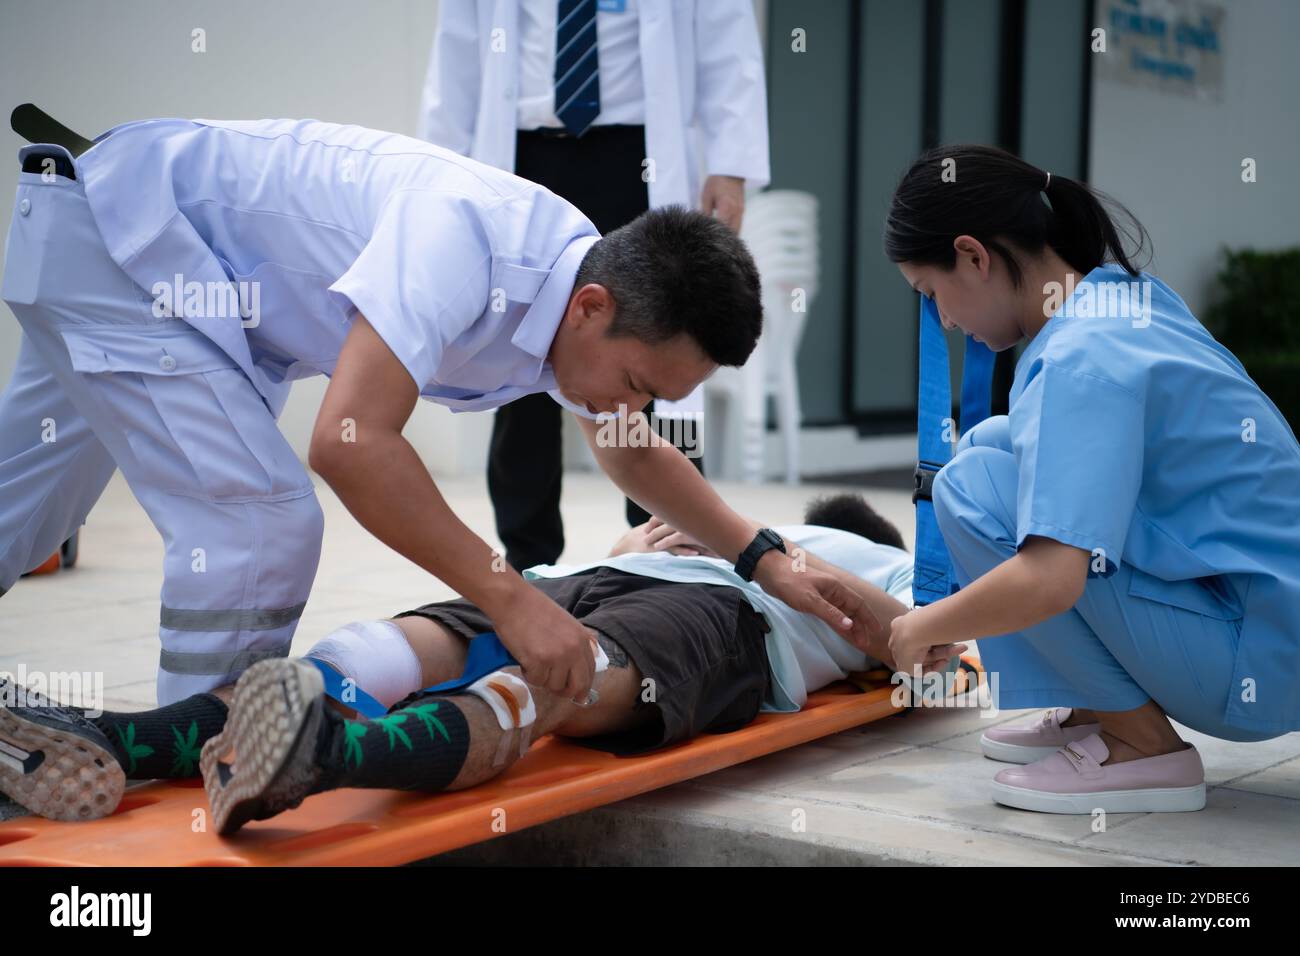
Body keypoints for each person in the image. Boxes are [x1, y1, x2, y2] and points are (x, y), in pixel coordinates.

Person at [0, 117, 869, 738]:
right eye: (637, 384)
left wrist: (764, 558)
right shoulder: (467, 241)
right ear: (593, 310)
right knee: (259, 522)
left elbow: (629, 449)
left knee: (25, 508)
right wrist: (511, 600)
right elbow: (350, 441)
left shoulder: (575, 282)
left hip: (108, 229)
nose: (630, 412)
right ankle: (194, 763)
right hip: (127, 243)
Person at [0, 494, 942, 827]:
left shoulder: (874, 556)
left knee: (457, 667)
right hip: (613, 587)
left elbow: (933, 647)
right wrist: (676, 537)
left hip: (723, 607)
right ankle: (159, 744)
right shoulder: (731, 528)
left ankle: (127, 742)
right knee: (440, 661)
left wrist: (782, 561)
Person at [883, 143, 1300, 814]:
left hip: (1256, 663)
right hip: (1270, 629)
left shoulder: (1079, 358)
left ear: (974, 255)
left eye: (934, 297)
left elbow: (1053, 577)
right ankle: (1092, 710)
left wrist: (925, 623)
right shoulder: (1121, 302)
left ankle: (1141, 745)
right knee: (991, 450)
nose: (949, 322)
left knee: (971, 490)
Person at [419, 0, 770, 568]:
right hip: (522, 151)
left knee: (662, 345)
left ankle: (673, 547)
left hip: (636, 152)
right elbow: (456, 52)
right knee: (522, 355)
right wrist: (440, 165)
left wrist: (731, 163)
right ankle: (531, 560)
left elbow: (726, 35)